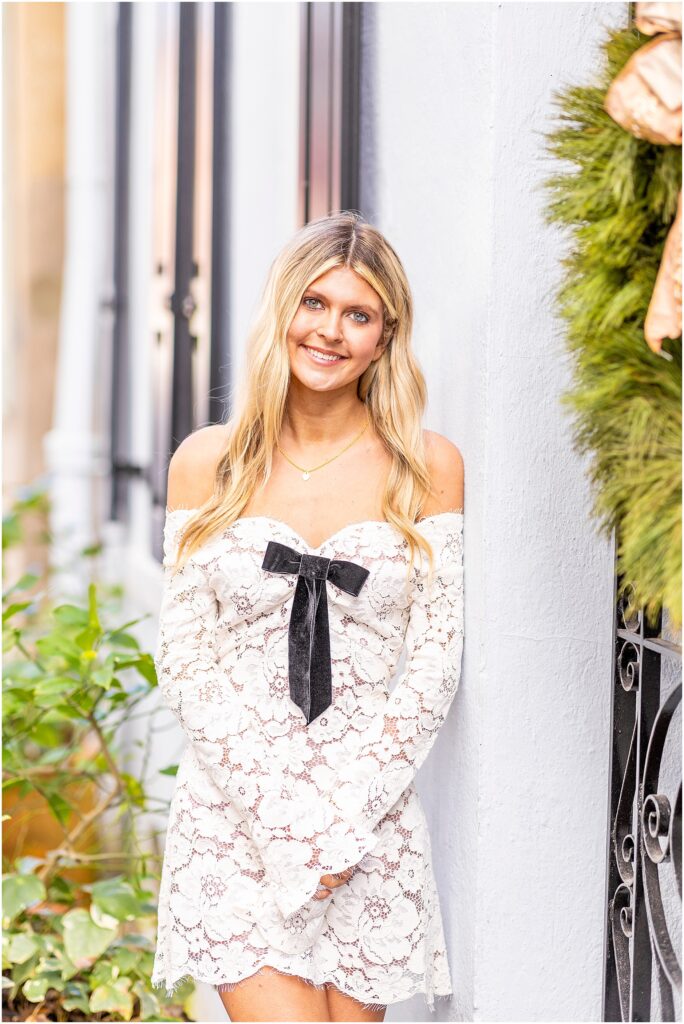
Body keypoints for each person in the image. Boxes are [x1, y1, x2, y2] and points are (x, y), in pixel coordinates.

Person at [150, 211, 465, 1023]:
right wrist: (289, 823)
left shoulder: (426, 468)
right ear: (282, 310)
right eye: (314, 304)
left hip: (370, 819)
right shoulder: (208, 462)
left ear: (385, 335)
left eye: (357, 315)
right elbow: (186, 661)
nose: (330, 331)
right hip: (239, 817)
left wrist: (344, 819)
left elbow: (434, 664)